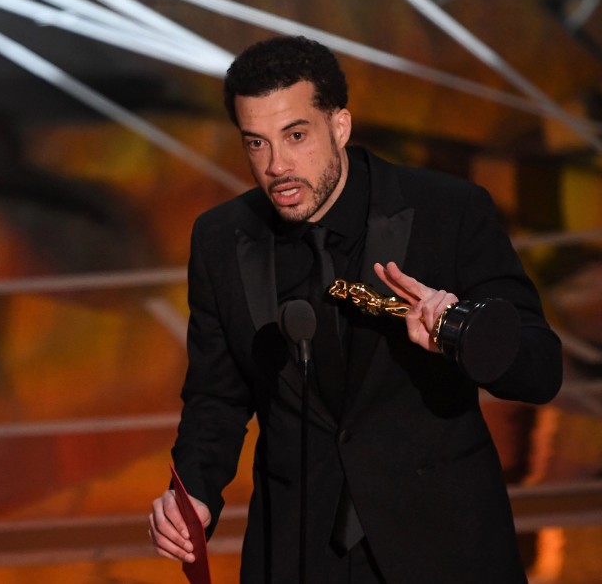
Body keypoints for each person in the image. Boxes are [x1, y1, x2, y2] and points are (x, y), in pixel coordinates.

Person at [148, 36, 562, 584]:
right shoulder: (222, 239)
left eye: (296, 136)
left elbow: (541, 369)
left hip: (442, 548)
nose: (277, 167)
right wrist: (194, 492)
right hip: (298, 549)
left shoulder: (448, 211)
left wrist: (460, 332)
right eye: (256, 144)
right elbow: (216, 394)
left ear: (339, 126)